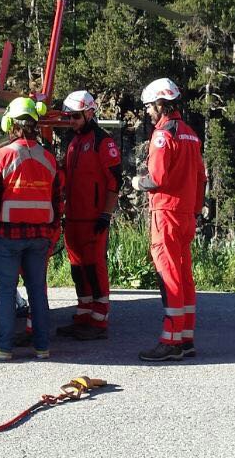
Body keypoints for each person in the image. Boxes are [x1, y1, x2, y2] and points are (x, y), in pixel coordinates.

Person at [0, 97, 64, 361]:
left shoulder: (0, 157)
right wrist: (52, 229)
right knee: (37, 290)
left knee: (7, 292)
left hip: (8, 236)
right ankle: (42, 347)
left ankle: (4, 347)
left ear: (9, 124)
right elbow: (58, 201)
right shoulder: (49, 158)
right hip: (40, 237)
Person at [131, 77, 206, 362]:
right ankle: (185, 338)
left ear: (161, 105)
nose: (148, 112)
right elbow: (201, 178)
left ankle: (171, 340)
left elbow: (157, 178)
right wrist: (195, 210)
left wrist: (138, 182)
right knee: (184, 274)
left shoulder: (163, 135)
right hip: (186, 213)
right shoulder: (190, 134)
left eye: (150, 106)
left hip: (166, 212)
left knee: (169, 275)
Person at [59, 89, 122, 341]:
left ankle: (99, 321)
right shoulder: (74, 141)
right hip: (73, 217)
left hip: (93, 218)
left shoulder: (102, 141)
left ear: (88, 113)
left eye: (74, 116)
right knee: (78, 269)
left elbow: (115, 181)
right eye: (68, 117)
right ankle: (83, 316)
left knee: (95, 268)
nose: (71, 121)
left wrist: (105, 214)